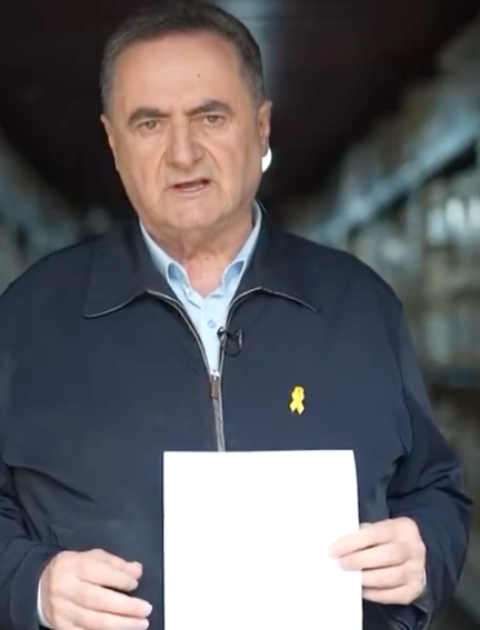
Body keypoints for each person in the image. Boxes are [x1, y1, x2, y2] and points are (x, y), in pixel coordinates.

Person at [0, 1, 472, 629]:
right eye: (150, 124)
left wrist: (426, 550)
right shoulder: (30, 318)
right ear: (114, 143)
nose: (183, 153)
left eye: (210, 117)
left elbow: (436, 489)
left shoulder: (359, 305)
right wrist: (31, 585)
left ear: (261, 126)